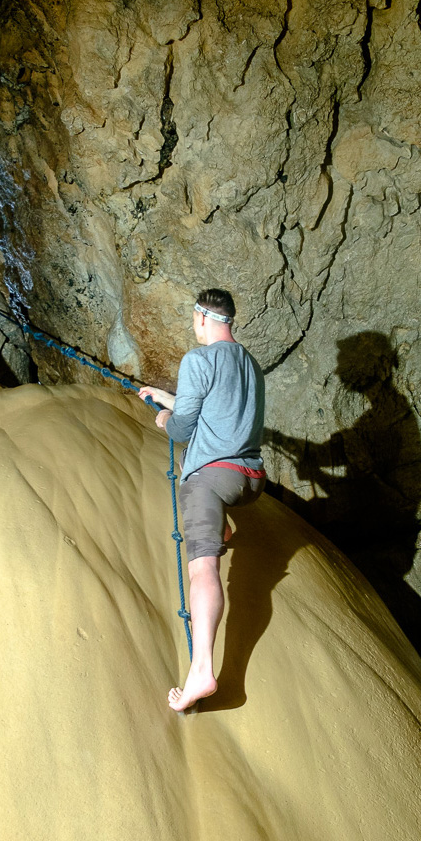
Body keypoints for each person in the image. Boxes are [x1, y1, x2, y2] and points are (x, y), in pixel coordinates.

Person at [138, 289, 265, 712]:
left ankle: (203, 671)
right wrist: (165, 398)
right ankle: (222, 526)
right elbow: (217, 409)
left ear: (201, 317)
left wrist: (164, 420)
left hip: (210, 480)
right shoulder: (250, 364)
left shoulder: (197, 360)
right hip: (249, 480)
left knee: (202, 571)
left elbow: (181, 430)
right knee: (215, 522)